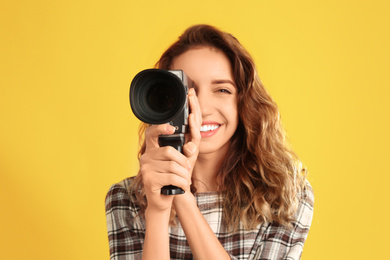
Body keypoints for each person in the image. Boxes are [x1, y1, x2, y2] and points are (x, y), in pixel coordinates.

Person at [105, 24, 314, 260]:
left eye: (222, 90)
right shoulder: (126, 198)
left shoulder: (285, 196)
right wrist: (159, 211)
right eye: (186, 90)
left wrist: (181, 195)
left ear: (244, 101)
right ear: (164, 100)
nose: (202, 108)